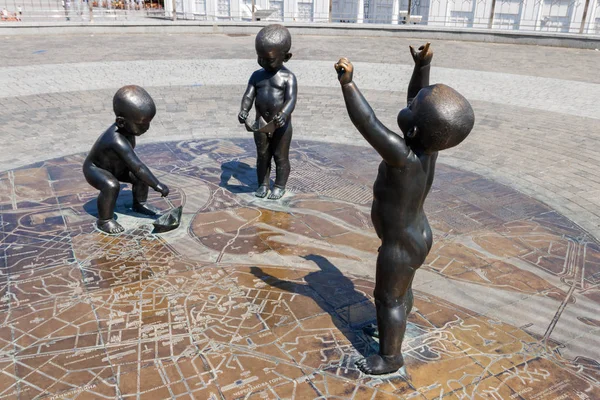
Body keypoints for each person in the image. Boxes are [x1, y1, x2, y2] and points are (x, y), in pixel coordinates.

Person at [334, 43, 474, 375]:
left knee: (387, 298)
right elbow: (422, 101)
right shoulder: (428, 147)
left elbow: (367, 122)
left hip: (399, 245)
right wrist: (422, 66)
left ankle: (390, 357)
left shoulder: (401, 154)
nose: (409, 103)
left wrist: (348, 84)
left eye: (411, 107)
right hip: (416, 233)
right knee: (401, 290)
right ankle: (393, 331)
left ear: (412, 129)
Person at [83, 85, 170, 234]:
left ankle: (140, 203)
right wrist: (157, 184)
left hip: (116, 167)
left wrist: (142, 177)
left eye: (148, 122)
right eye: (142, 124)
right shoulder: (116, 139)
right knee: (111, 185)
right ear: (121, 122)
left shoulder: (128, 130)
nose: (147, 128)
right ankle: (104, 220)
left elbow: (137, 169)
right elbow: (138, 167)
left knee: (140, 177)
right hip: (96, 169)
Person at [238, 24, 297, 200]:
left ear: (286, 57)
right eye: (259, 57)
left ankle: (279, 185)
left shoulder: (288, 77)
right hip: (261, 124)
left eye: (269, 59)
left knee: (280, 156)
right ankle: (263, 184)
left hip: (282, 126)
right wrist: (244, 110)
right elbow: (249, 95)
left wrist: (284, 114)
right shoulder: (256, 76)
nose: (263, 62)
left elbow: (291, 99)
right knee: (262, 156)